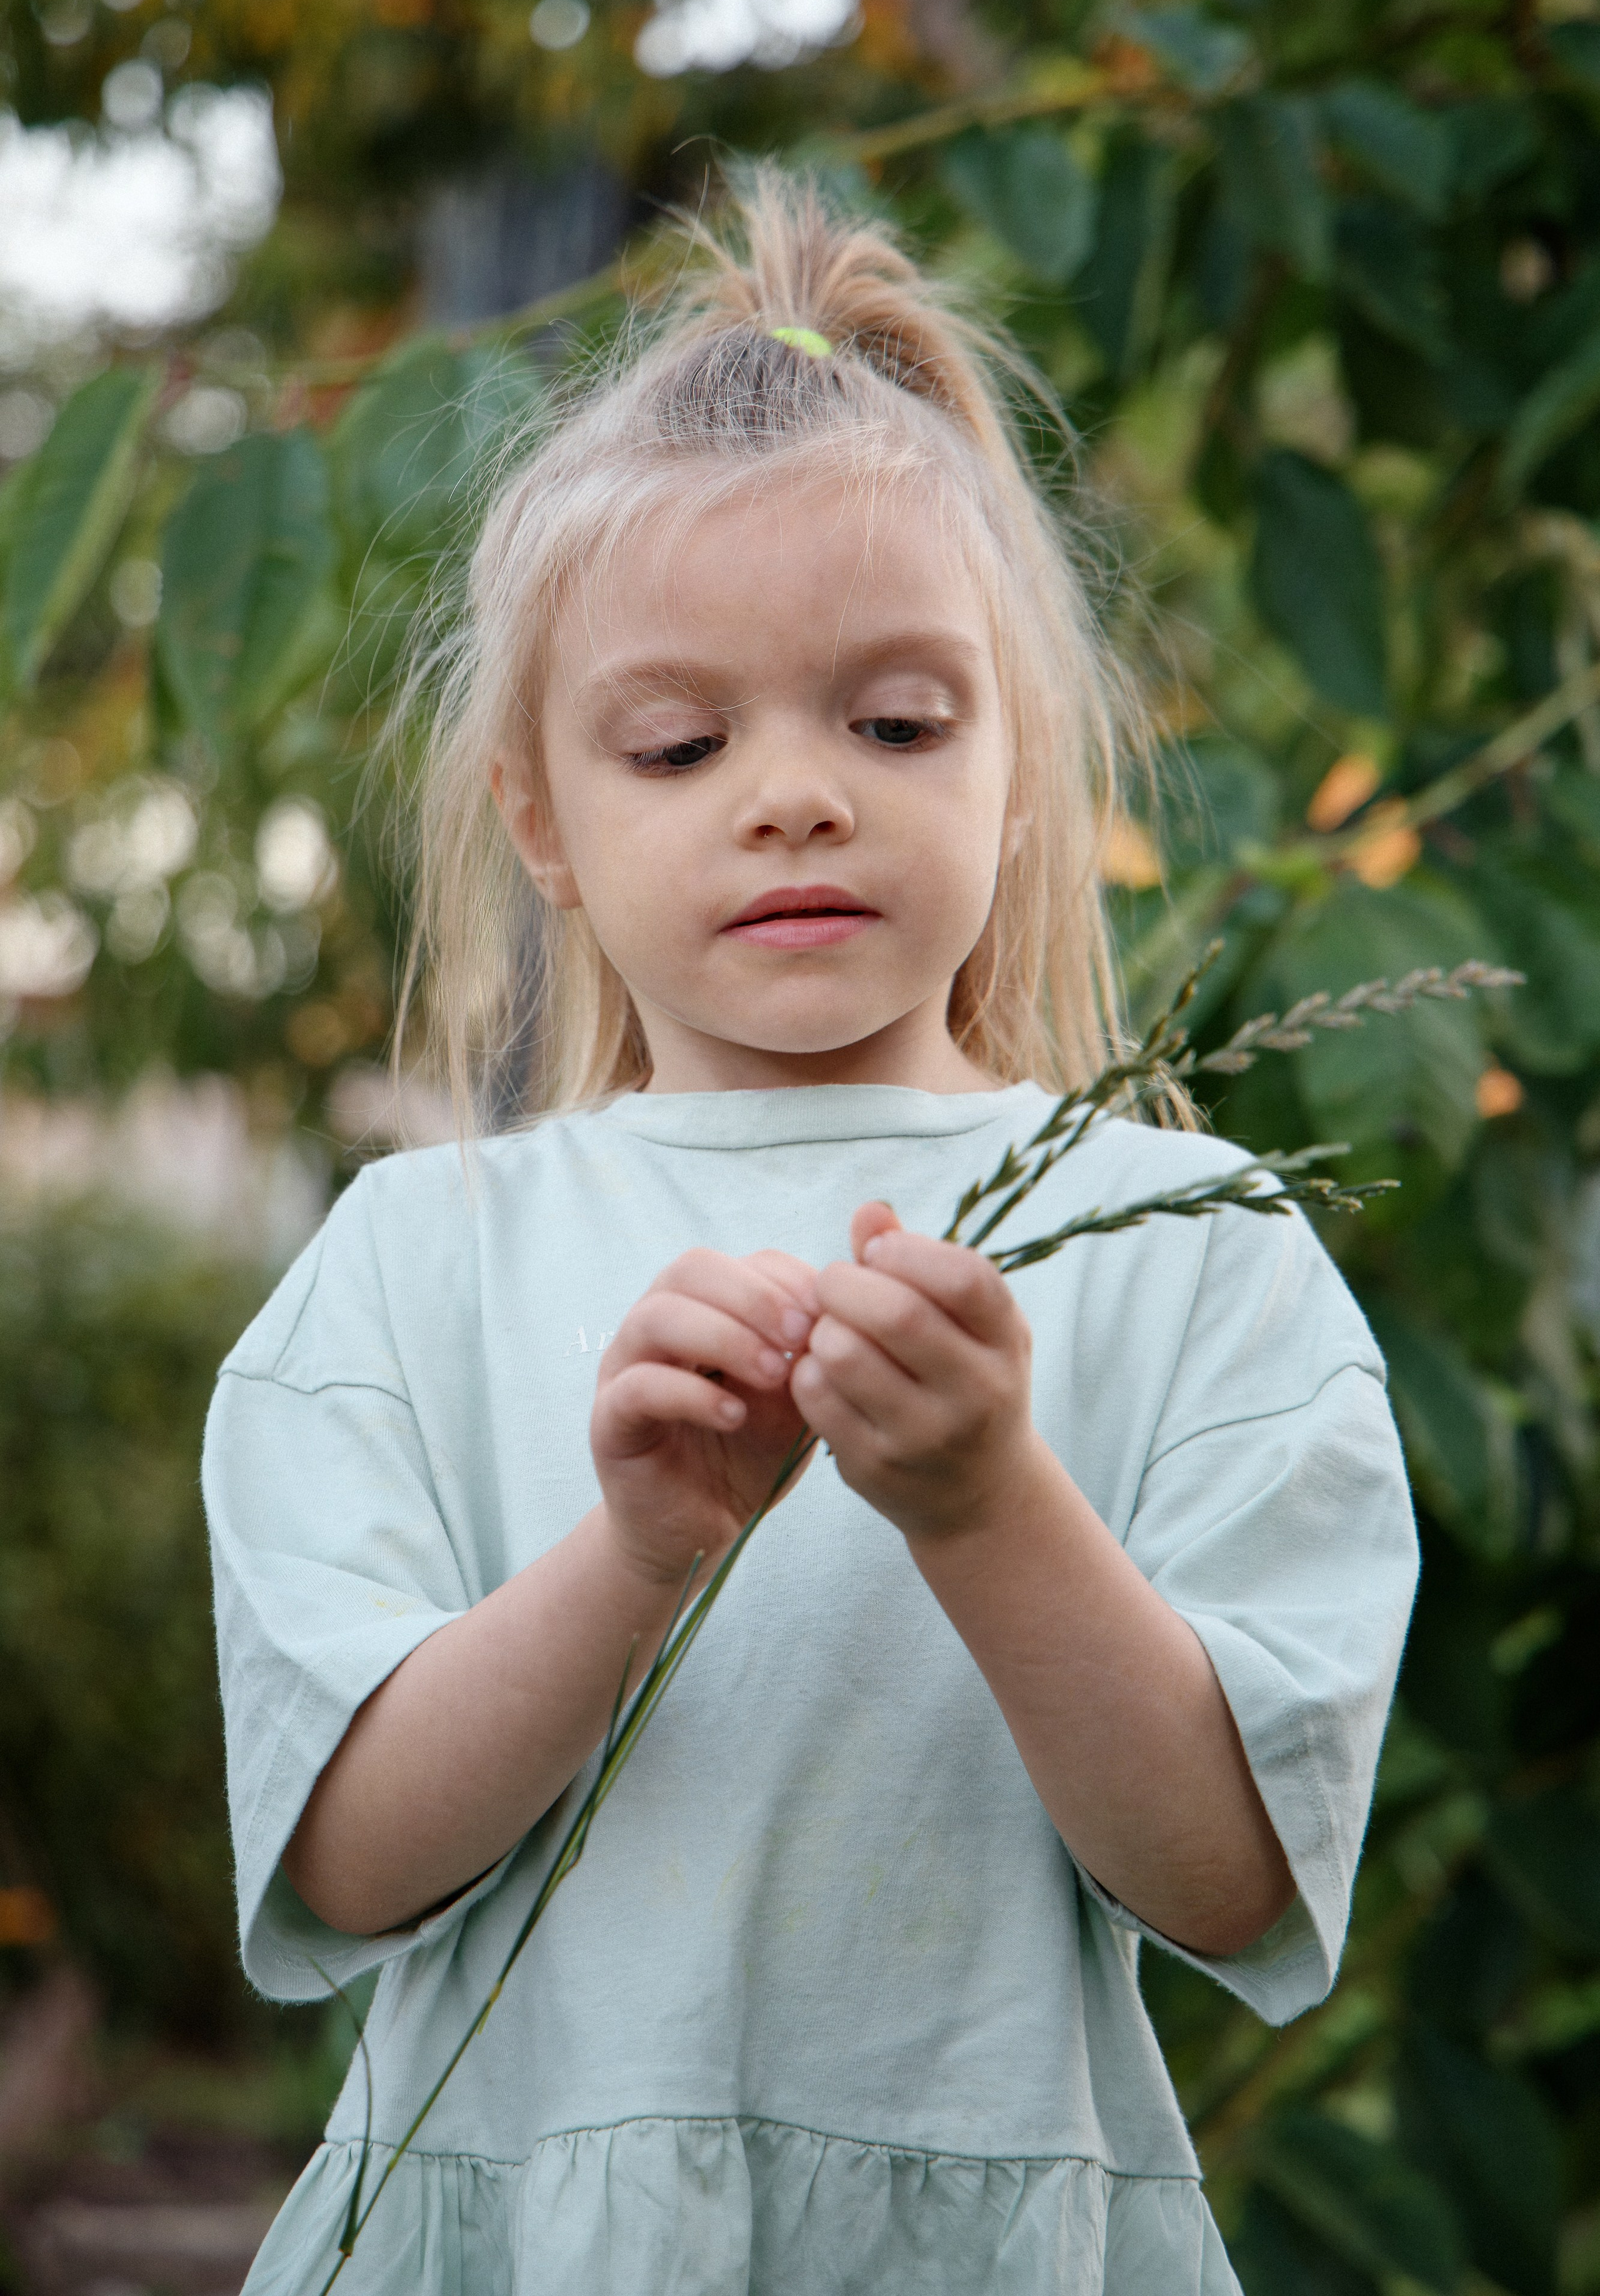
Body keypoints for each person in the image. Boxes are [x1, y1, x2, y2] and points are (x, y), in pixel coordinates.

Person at [203, 171, 1418, 2296]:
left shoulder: (1188, 1244)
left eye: (895, 721)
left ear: (1022, 769)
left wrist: (983, 1501)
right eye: (682, 739)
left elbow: (1235, 1887)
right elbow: (348, 1866)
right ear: (543, 818)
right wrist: (638, 1554)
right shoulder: (415, 1269)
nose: (794, 794)